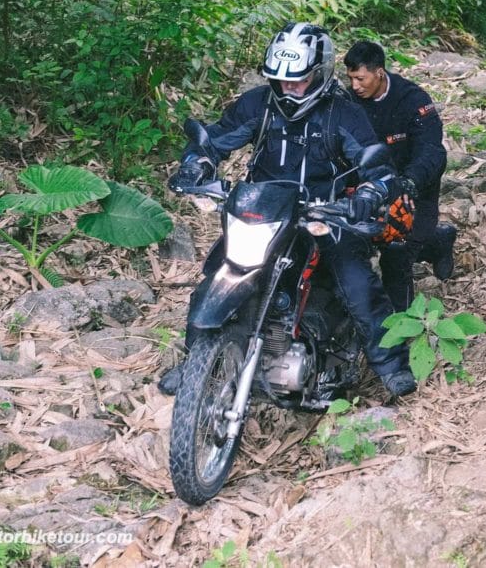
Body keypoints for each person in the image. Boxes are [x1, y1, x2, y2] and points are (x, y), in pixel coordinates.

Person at [159, 23, 417, 398]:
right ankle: (194, 362)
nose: (288, 88)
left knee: (357, 283)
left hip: (324, 213)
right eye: (280, 80)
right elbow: (213, 141)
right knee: (218, 273)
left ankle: (390, 365)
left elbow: (375, 165)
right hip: (262, 212)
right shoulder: (257, 104)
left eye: (298, 80)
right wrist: (197, 162)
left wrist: (367, 193)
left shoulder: (342, 114)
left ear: (321, 73)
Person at [344, 40, 456, 312]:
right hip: (366, 187)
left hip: (413, 188)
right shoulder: (347, 102)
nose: (355, 85)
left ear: (379, 72)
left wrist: (410, 182)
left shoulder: (412, 100)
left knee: (396, 254)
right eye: (351, 79)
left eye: (361, 78)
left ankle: (401, 330)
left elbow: (432, 151)